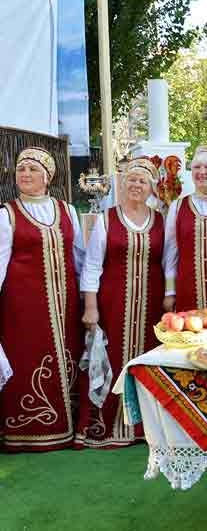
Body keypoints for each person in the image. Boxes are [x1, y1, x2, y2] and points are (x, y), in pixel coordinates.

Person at [76, 157, 166, 448]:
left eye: (142, 180)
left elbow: (169, 262)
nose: (136, 185)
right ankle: (108, 426)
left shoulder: (161, 220)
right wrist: (91, 306)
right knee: (112, 360)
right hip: (113, 302)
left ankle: (144, 429)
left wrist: (169, 299)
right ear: (122, 184)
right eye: (131, 179)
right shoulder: (106, 218)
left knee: (146, 361)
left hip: (151, 303)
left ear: (151, 187)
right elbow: (91, 266)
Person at [0, 148, 84, 452]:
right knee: (28, 361)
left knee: (69, 357)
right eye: (21, 169)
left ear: (47, 177)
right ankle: (28, 433)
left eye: (33, 170)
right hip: (24, 308)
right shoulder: (6, 214)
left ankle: (69, 427)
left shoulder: (67, 210)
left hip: (67, 304)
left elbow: (79, 258)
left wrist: (88, 301)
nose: (25, 174)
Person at [163, 146, 207, 312]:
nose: (202, 172)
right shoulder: (177, 206)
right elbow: (171, 251)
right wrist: (170, 291)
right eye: (197, 167)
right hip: (188, 292)